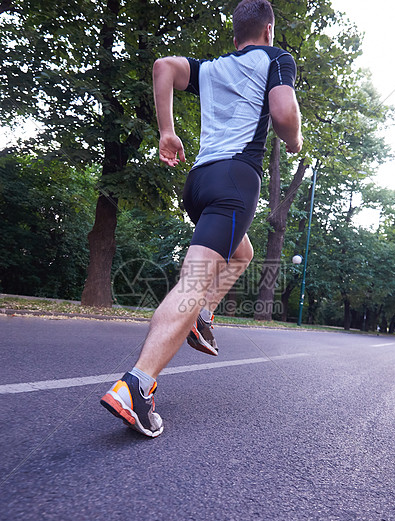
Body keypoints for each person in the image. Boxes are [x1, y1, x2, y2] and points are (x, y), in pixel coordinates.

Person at [100, 0, 303, 437]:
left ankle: (203, 315)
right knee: (191, 285)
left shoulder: (211, 67)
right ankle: (137, 384)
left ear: (236, 37)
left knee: (242, 251)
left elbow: (162, 67)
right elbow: (284, 114)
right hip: (235, 181)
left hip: (198, 184)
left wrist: (167, 131)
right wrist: (294, 141)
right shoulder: (276, 58)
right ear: (268, 31)